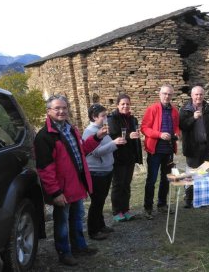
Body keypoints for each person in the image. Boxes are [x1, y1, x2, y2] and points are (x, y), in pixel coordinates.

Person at [35, 95, 107, 266]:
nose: (61, 111)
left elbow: (81, 151)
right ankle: (64, 253)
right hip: (62, 189)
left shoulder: (70, 129)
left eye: (64, 108)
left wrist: (97, 137)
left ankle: (79, 247)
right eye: (57, 108)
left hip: (76, 184)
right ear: (48, 111)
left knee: (77, 218)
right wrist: (55, 192)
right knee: (61, 224)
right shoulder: (44, 136)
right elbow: (45, 169)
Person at [83, 104, 127, 240]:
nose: (106, 118)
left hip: (106, 169)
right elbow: (95, 152)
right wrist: (114, 143)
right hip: (96, 171)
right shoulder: (90, 132)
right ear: (94, 117)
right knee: (96, 201)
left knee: (101, 200)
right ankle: (93, 231)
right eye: (103, 116)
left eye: (106, 115)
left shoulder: (102, 129)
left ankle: (101, 225)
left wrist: (114, 143)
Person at [140, 84, 180, 220]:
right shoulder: (152, 109)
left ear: (172, 95)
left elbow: (177, 128)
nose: (167, 96)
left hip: (168, 150)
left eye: (169, 94)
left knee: (165, 179)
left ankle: (162, 204)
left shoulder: (174, 111)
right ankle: (148, 208)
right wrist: (159, 134)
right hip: (154, 150)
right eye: (164, 93)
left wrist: (177, 134)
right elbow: (144, 128)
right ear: (160, 94)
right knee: (151, 180)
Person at [179, 85, 209, 208]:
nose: (199, 97)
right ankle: (188, 199)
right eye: (196, 94)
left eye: (201, 94)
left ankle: (201, 199)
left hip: (206, 148)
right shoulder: (185, 110)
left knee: (202, 174)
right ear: (192, 96)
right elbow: (182, 126)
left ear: (203, 95)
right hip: (192, 148)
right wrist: (193, 118)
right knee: (191, 174)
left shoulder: (208, 109)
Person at [108, 94, 143, 222]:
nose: (125, 106)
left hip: (130, 156)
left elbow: (136, 135)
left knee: (126, 184)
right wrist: (129, 136)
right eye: (123, 104)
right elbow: (113, 135)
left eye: (127, 104)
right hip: (118, 157)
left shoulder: (132, 119)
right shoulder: (112, 118)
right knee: (118, 184)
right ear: (117, 105)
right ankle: (117, 211)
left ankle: (126, 209)